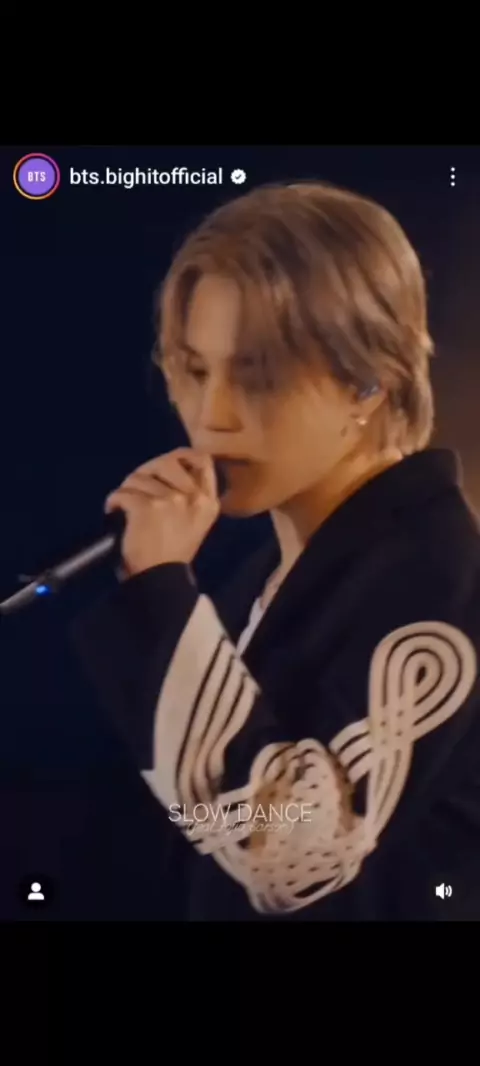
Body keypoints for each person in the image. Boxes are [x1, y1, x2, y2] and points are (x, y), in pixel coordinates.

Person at [71, 180, 480, 921]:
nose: (212, 416)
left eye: (258, 376)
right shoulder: (258, 581)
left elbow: (296, 861)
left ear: (368, 382)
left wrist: (161, 592)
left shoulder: (442, 576)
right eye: (195, 370)